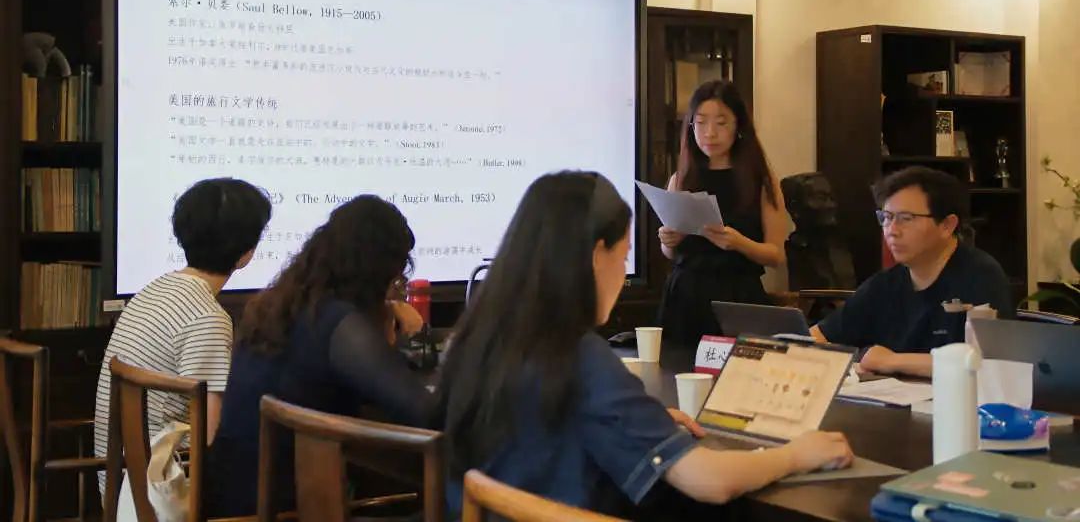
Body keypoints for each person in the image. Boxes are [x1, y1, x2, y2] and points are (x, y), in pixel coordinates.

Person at [439, 171, 852, 517]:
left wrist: (640, 422)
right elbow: (709, 480)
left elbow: (550, 429)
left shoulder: (476, 341)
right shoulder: (579, 356)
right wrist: (796, 454)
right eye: (623, 257)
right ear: (596, 255)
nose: (622, 275)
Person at [204, 195, 431, 516]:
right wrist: (405, 336)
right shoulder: (339, 324)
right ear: (377, 272)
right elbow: (425, 414)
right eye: (396, 278)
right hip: (287, 509)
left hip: (230, 497)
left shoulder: (281, 307)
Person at [94, 178, 272, 489]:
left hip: (121, 488)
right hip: (164, 493)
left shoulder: (153, 290)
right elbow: (211, 440)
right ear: (247, 253)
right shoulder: (207, 317)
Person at [811, 166, 1013, 378]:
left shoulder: (981, 276)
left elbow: (987, 362)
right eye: (886, 217)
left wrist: (892, 361)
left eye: (906, 218)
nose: (892, 230)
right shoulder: (884, 284)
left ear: (947, 225)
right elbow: (817, 338)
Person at [658, 81, 788, 345]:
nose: (710, 133)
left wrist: (739, 243)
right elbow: (671, 254)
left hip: (737, 297)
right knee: (677, 367)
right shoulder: (680, 179)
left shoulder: (760, 181)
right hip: (685, 297)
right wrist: (669, 240)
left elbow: (776, 255)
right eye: (700, 123)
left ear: (738, 126)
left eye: (721, 123)